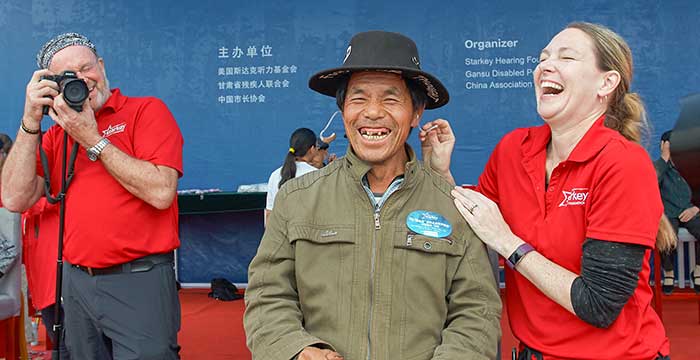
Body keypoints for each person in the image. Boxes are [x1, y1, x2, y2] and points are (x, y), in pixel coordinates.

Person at [245, 30, 501, 360]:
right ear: (343, 112)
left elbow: (477, 311)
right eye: (359, 98)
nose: (373, 112)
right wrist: (295, 350)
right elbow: (267, 295)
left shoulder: (453, 205)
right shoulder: (296, 198)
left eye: (391, 99)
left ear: (416, 113)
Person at [432, 22, 674, 359]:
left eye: (567, 57)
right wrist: (441, 171)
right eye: (543, 57)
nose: (545, 65)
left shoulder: (624, 164)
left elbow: (599, 305)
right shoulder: (513, 149)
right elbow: (472, 228)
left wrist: (507, 243)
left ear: (606, 83)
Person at [1, 32, 183, 359]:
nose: (83, 80)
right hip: (76, 283)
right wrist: (30, 121)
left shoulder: (146, 111)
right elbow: (14, 198)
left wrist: (91, 139)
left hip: (138, 279)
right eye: (69, 76)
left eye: (87, 67)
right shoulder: (57, 136)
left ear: (101, 65)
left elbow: (161, 192)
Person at [655, 130, 700, 294]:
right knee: (666, 234)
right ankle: (669, 272)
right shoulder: (660, 167)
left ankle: (698, 270)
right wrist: (664, 158)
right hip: (668, 213)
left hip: (691, 210)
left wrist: (695, 208)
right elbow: (650, 183)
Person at [264, 128, 320, 227]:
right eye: (317, 147)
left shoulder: (275, 175)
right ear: (312, 149)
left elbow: (269, 215)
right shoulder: (317, 175)